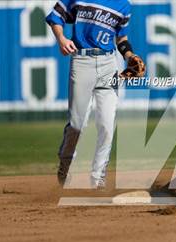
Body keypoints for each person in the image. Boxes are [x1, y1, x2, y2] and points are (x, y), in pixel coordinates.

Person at [45, 0, 146, 189]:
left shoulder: (123, 5)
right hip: (82, 61)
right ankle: (66, 163)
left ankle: (98, 177)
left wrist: (129, 56)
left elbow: (121, 40)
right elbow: (55, 17)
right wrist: (61, 39)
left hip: (110, 64)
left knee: (107, 125)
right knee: (77, 125)